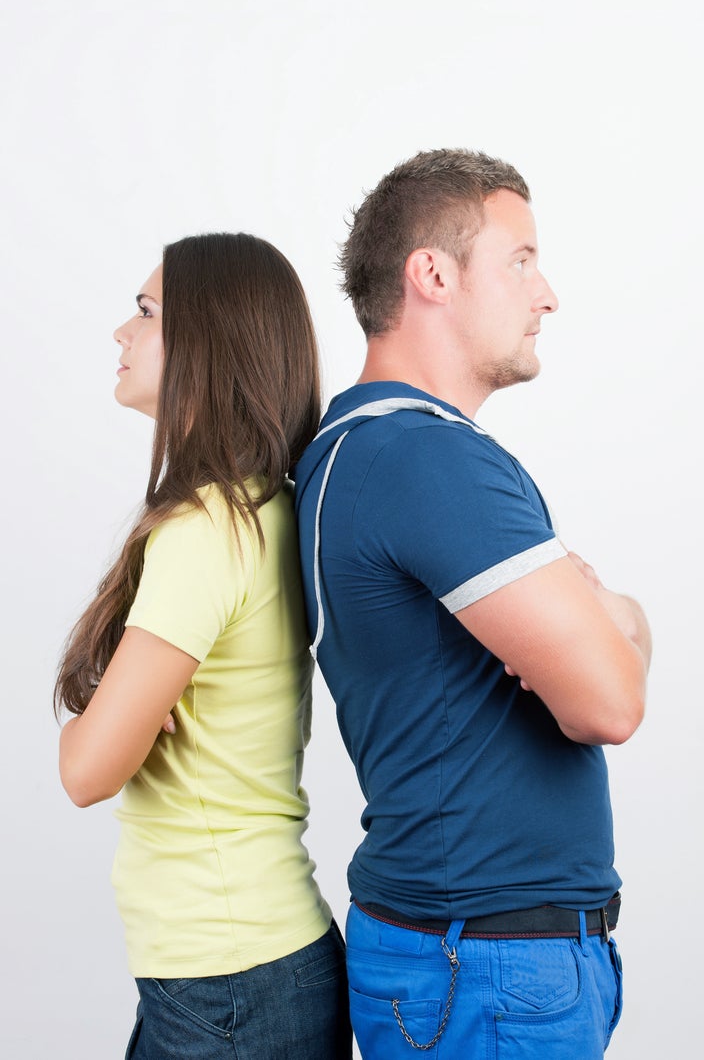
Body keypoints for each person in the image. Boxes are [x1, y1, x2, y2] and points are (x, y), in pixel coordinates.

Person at [293, 149, 652, 1058]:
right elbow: (610, 701)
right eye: (521, 260)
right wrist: (616, 610)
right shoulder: (427, 460)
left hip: (466, 959)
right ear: (433, 275)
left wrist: (592, 615)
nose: (548, 295)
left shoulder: (353, 446)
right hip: (488, 971)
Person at [55, 232, 352, 1060]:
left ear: (209, 342)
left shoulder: (203, 532)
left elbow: (85, 771)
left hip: (229, 984)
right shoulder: (265, 506)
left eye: (146, 312)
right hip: (246, 970)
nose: (121, 332)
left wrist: (100, 716)